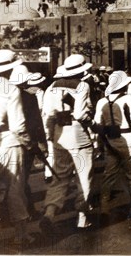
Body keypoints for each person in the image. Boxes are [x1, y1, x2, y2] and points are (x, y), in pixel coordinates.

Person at [40, 54, 95, 231]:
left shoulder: (51, 87)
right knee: (83, 177)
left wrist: (50, 136)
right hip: (78, 135)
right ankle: (82, 217)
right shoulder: (82, 85)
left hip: (59, 135)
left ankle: (50, 212)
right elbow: (80, 114)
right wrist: (92, 123)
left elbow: (47, 115)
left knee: (60, 178)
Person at [0, 50, 32, 246]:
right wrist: (29, 143)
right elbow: (18, 125)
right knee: (15, 191)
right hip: (9, 143)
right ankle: (21, 236)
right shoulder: (12, 89)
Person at [94, 71, 131, 218]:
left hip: (110, 140)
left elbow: (99, 124)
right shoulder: (129, 99)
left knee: (109, 175)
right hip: (128, 138)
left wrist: (100, 143)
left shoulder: (102, 102)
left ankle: (104, 207)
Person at [9, 65, 47, 219]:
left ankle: (11, 212)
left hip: (3, 143)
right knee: (22, 179)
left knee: (11, 180)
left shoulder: (4, 95)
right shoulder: (29, 97)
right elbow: (36, 124)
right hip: (24, 142)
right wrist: (39, 144)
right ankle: (27, 211)